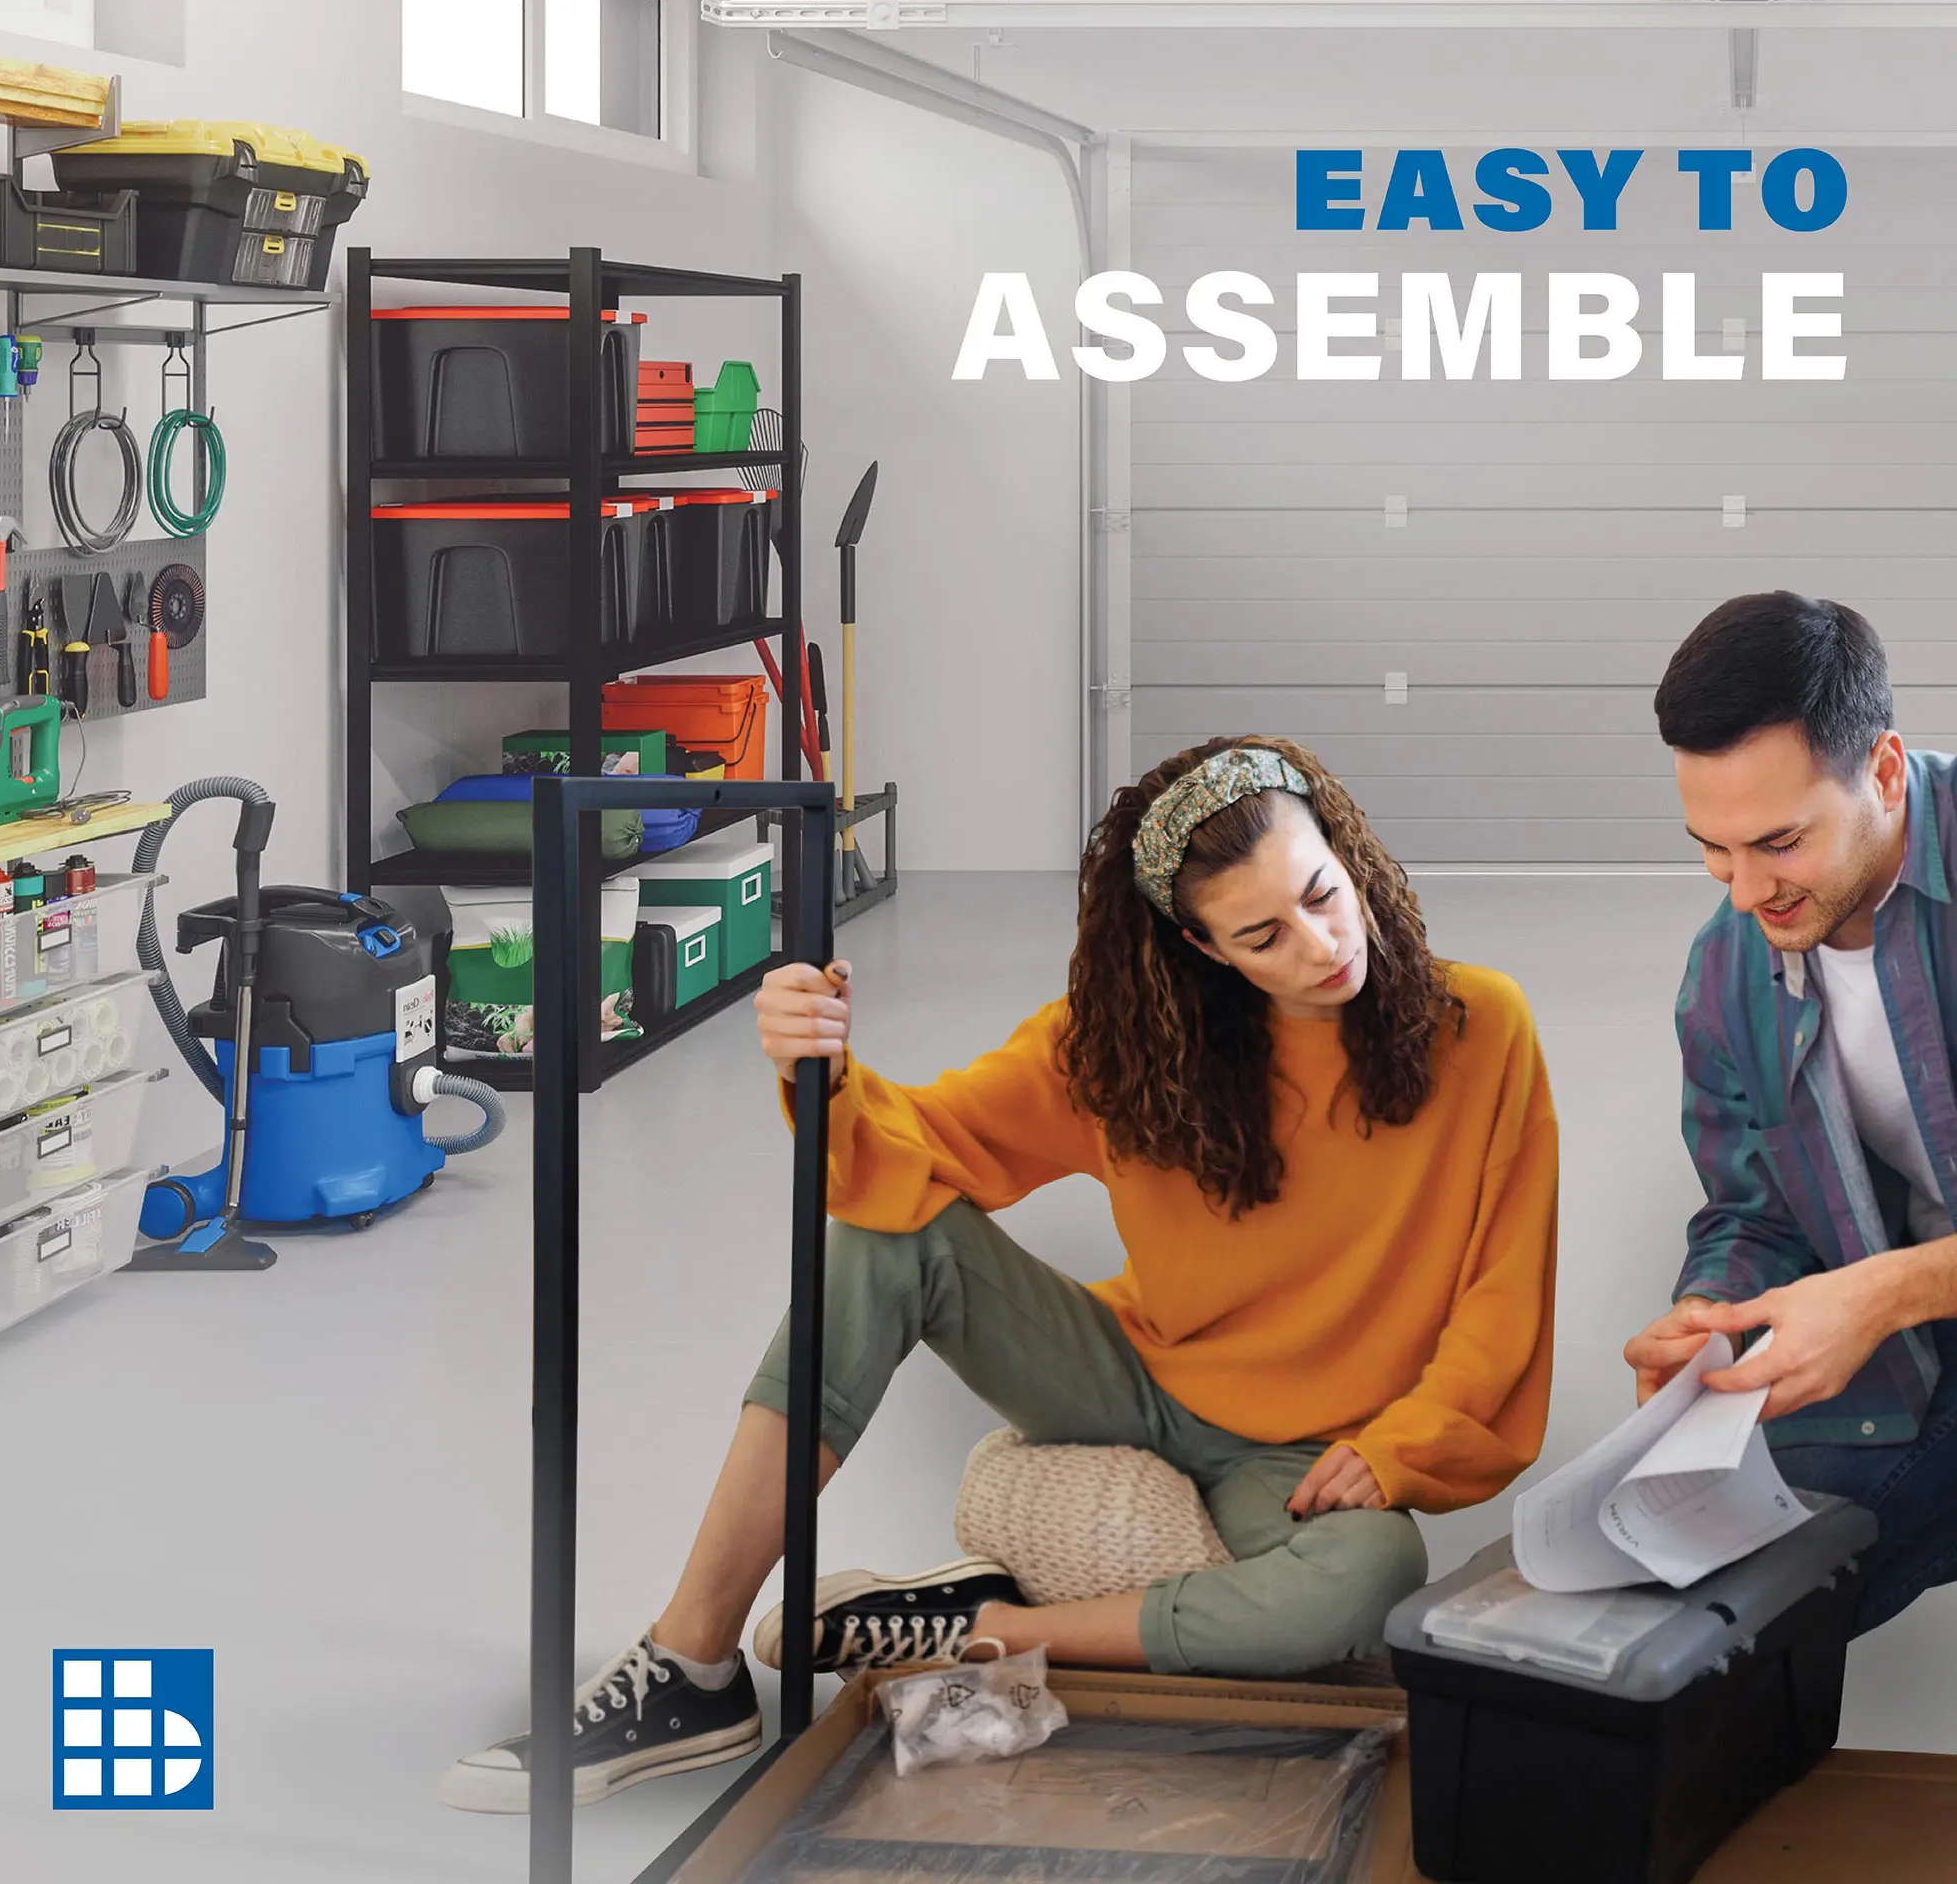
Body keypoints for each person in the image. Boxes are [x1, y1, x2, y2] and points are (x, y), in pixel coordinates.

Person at [442, 737, 1558, 1814]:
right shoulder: (1130, 1041)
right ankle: (690, 1662)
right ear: (1204, 948)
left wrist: (1398, 1445)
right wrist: (813, 1061)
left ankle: (990, 1625)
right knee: (887, 1234)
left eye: (1321, 893)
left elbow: (1501, 1292)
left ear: (1345, 850)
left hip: (1314, 1454)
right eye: (1260, 934)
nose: (1318, 945)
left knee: (1369, 1573)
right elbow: (916, 1147)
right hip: (1132, 1375)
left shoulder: (1482, 1026)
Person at [1625, 593, 1957, 1633]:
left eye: (1776, 841)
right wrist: (1710, 1315)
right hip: (1917, 1345)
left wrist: (1882, 1291)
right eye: (1712, 848)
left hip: (1909, 1304)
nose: (1741, 891)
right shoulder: (1724, 970)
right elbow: (1753, 1210)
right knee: (1703, 1598)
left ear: (1885, 770)